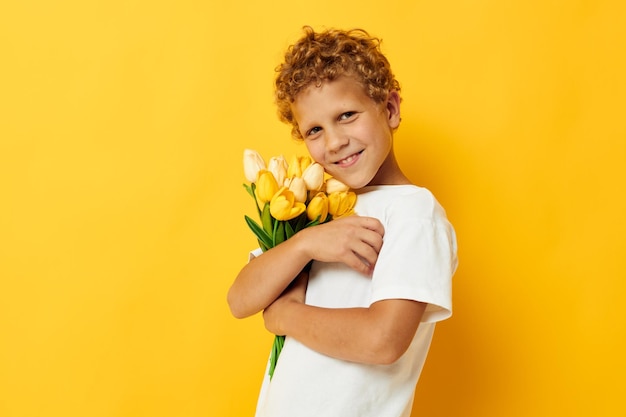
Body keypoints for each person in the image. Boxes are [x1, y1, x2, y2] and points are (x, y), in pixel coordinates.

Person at [227, 26, 458, 417]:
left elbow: (382, 341)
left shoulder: (414, 213)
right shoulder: (315, 205)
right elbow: (240, 300)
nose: (333, 142)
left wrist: (285, 315)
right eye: (315, 130)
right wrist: (305, 244)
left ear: (390, 109)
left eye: (347, 115)